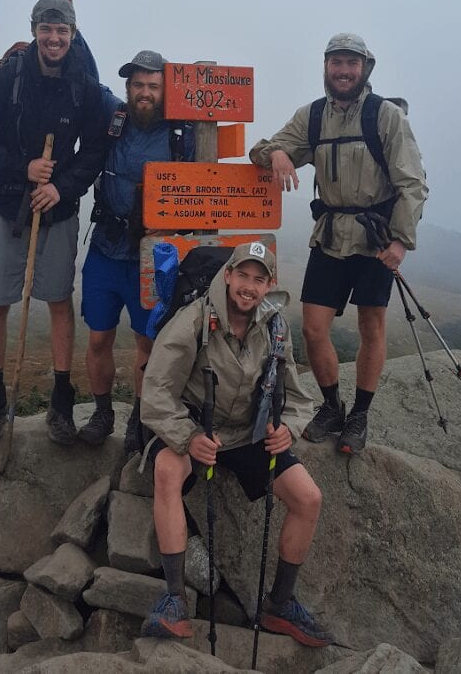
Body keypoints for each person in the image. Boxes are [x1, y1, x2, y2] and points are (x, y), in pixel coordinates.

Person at [139, 242, 333, 648]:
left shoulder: (275, 327)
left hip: (249, 431)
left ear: (269, 285)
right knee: (167, 471)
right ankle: (173, 599)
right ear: (227, 276)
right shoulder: (193, 321)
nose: (249, 286)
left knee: (308, 498)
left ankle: (280, 603)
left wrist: (289, 430)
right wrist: (188, 438)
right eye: (242, 275)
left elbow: (297, 397)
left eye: (258, 279)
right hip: (195, 423)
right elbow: (156, 392)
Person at [250, 33, 428, 454]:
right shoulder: (312, 117)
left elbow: (413, 183)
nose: (344, 71)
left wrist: (401, 241)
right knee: (313, 328)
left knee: (371, 326)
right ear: (326, 67)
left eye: (351, 63)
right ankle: (332, 406)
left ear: (365, 67)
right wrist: (277, 152)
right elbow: (262, 149)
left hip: (374, 239)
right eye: (336, 63)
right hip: (329, 236)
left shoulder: (385, 117)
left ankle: (359, 415)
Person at [0, 0, 108, 445]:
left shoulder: (81, 84)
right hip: (8, 204)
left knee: (58, 300)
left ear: (72, 35)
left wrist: (60, 187)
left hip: (58, 208)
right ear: (34, 31)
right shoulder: (7, 77)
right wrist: (22, 169)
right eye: (46, 29)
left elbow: (97, 149)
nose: (53, 38)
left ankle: (60, 404)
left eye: (62, 30)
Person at [77, 51, 194, 452]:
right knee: (98, 338)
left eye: (153, 85)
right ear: (128, 88)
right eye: (138, 85)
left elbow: (202, 188)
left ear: (166, 89)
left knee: (148, 344)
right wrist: (75, 38)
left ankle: (139, 420)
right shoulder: (115, 118)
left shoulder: (183, 134)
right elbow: (90, 82)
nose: (145, 93)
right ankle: (103, 412)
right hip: (106, 249)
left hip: (155, 255)